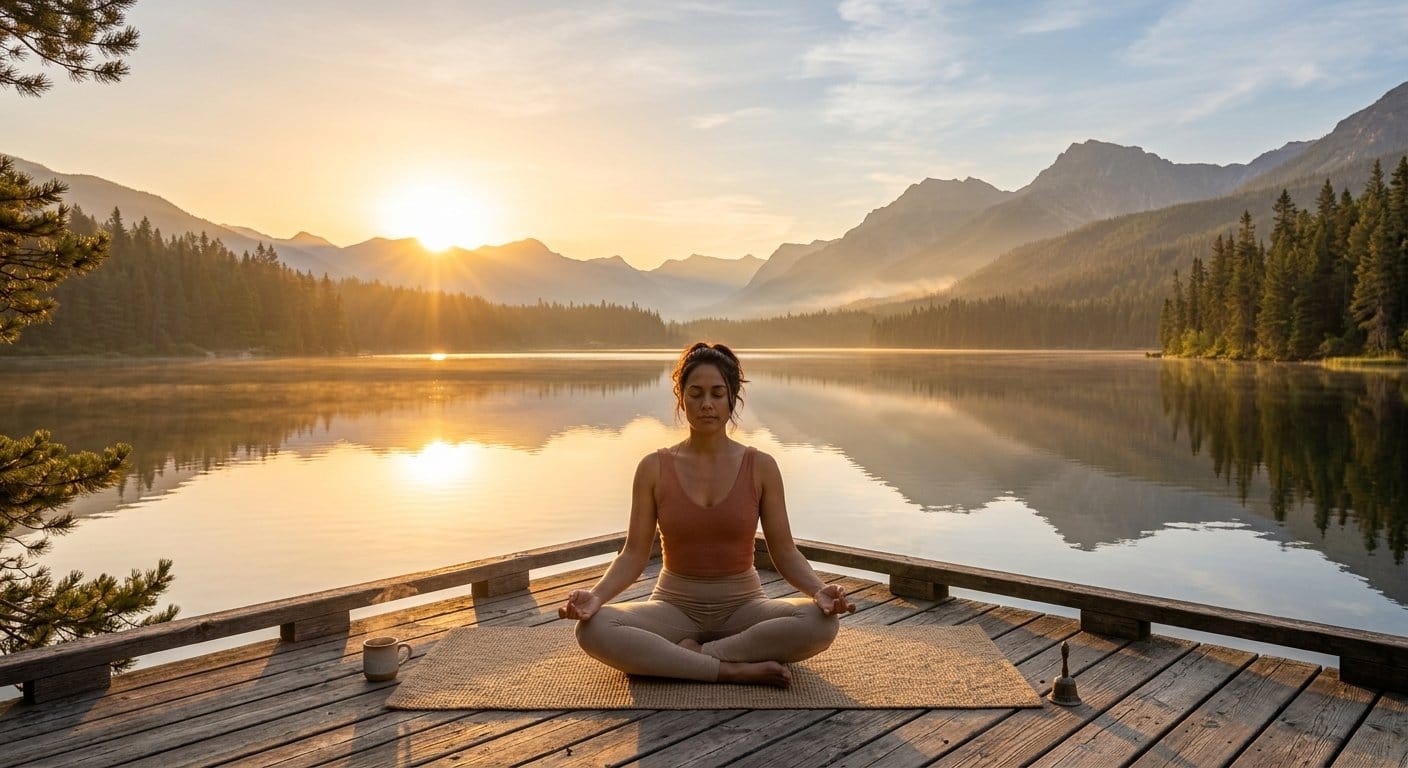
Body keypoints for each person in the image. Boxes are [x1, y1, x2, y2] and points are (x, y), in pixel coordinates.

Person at [557, 342, 851, 688]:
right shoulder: (654, 468)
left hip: (744, 607)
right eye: (695, 394)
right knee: (594, 629)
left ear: (732, 399)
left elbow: (784, 551)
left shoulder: (761, 467)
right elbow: (634, 554)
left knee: (820, 624)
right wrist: (596, 596)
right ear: (681, 399)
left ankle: (690, 656)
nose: (706, 404)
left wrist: (818, 590)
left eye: (717, 393)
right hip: (673, 607)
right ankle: (730, 668)